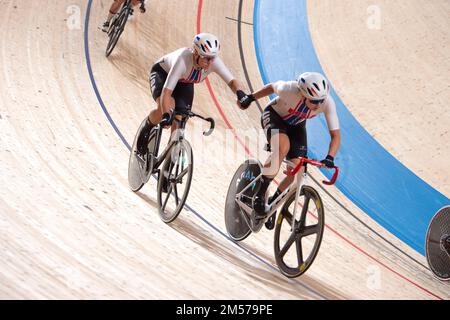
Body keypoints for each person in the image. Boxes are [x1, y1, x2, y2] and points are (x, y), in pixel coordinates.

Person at [237, 72, 341, 228]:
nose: (318, 105)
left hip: (297, 126)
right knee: (282, 147)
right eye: (314, 101)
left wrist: (330, 157)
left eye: (321, 100)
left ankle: (270, 206)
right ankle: (259, 194)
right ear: (303, 95)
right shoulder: (289, 90)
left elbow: (335, 135)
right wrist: (251, 98)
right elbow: (272, 87)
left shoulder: (327, 103)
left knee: (297, 171)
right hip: (274, 116)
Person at [136, 32, 248, 158]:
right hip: (163, 74)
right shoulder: (182, 60)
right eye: (206, 58)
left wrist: (240, 93)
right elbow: (166, 92)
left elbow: (232, 81)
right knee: (168, 110)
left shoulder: (213, 61)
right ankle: (148, 126)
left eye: (213, 58)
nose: (210, 62)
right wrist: (167, 115)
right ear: (195, 53)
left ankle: (171, 156)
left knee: (181, 117)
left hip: (184, 81)